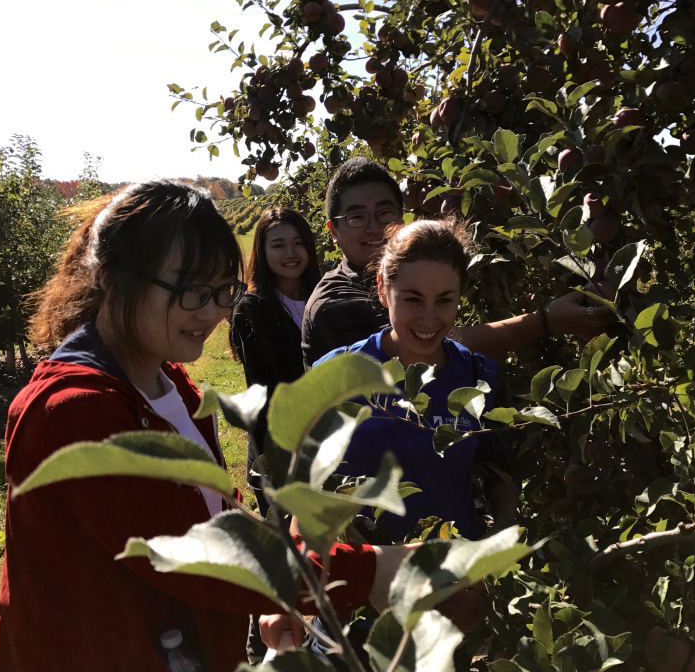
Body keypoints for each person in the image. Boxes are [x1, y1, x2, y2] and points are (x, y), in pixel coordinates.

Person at [0, 180, 409, 672]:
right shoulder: (74, 412)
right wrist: (370, 572)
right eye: (192, 291)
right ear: (114, 278)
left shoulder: (170, 385)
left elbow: (209, 512)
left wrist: (272, 594)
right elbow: (189, 555)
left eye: (223, 291)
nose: (212, 313)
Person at [315, 217, 518, 541]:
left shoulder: (478, 377)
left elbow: (499, 474)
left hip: (453, 576)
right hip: (368, 577)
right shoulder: (336, 376)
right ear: (383, 289)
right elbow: (304, 485)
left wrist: (495, 551)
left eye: (444, 300)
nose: (428, 317)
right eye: (412, 298)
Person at [301, 156, 610, 367]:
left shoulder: (404, 274)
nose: (374, 227)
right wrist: (546, 320)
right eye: (356, 217)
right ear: (333, 232)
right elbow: (429, 344)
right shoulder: (335, 304)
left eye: (385, 213)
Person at [229, 206, 321, 502]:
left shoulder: (325, 296)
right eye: (278, 245)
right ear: (263, 251)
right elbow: (266, 395)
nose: (290, 253)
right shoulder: (253, 310)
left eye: (298, 243)